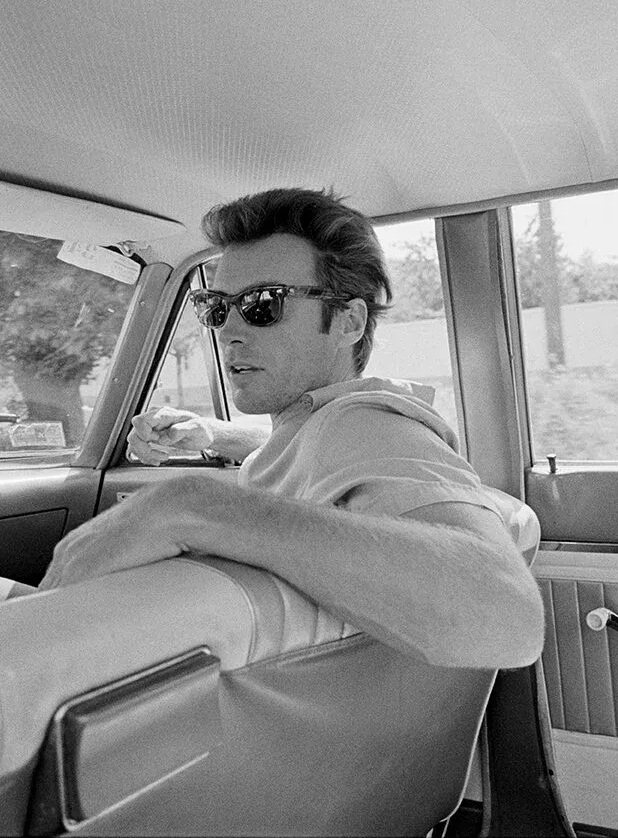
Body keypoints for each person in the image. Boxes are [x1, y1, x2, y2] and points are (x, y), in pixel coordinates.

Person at [44, 188, 546, 668]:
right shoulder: (330, 427)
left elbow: (507, 617)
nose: (229, 332)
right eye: (216, 308)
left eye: (264, 304)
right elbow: (315, 447)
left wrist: (193, 505)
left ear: (348, 321)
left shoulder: (367, 426)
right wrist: (216, 435)